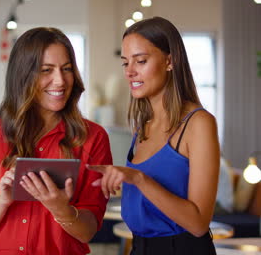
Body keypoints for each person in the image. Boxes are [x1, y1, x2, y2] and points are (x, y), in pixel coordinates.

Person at [0, 27, 113, 255]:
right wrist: (1, 202)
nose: (60, 80)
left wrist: (61, 209)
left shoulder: (93, 138)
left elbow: (88, 230)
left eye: (67, 69)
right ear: (23, 75)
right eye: (46, 70)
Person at [87, 16, 220, 255]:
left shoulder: (199, 123)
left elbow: (199, 224)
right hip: (139, 247)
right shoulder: (142, 127)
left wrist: (138, 179)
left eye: (141, 61)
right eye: (125, 63)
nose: (130, 72)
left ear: (170, 61)